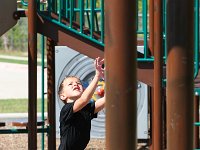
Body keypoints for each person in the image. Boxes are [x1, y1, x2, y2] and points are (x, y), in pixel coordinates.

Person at [58, 57, 105, 150]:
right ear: (62, 96)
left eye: (78, 83)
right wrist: (97, 76)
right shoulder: (66, 110)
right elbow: (84, 99)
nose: (75, 84)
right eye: (70, 84)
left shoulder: (86, 109)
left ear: (83, 90)